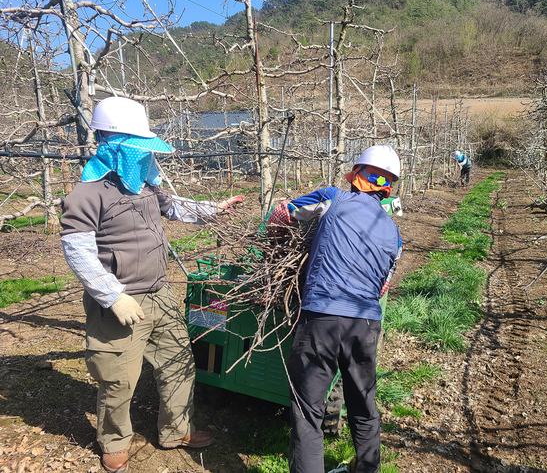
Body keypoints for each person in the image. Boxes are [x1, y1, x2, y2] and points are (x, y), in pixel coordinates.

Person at [60, 97, 239, 473]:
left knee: (177, 362)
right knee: (118, 377)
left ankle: (176, 430)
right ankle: (113, 441)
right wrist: (113, 297)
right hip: (120, 304)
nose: (147, 159)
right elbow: (76, 251)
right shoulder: (88, 194)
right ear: (112, 145)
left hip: (160, 293)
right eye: (139, 151)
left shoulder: (145, 187)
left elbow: (174, 208)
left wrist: (214, 208)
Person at [267, 144, 403, 473]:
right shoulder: (395, 234)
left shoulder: (334, 197)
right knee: (363, 404)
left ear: (357, 175)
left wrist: (275, 243)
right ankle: (367, 468)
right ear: (387, 187)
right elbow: (384, 284)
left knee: (307, 412)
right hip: (366, 324)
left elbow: (282, 214)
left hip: (322, 320)